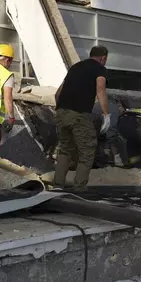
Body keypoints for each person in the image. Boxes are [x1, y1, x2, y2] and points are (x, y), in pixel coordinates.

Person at [53, 46, 111, 191]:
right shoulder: (99, 69)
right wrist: (106, 114)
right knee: (87, 151)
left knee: (65, 150)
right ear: (103, 58)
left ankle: (57, 186)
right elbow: (101, 90)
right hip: (79, 115)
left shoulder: (75, 67)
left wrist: (62, 110)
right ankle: (79, 188)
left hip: (61, 113)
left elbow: (58, 93)